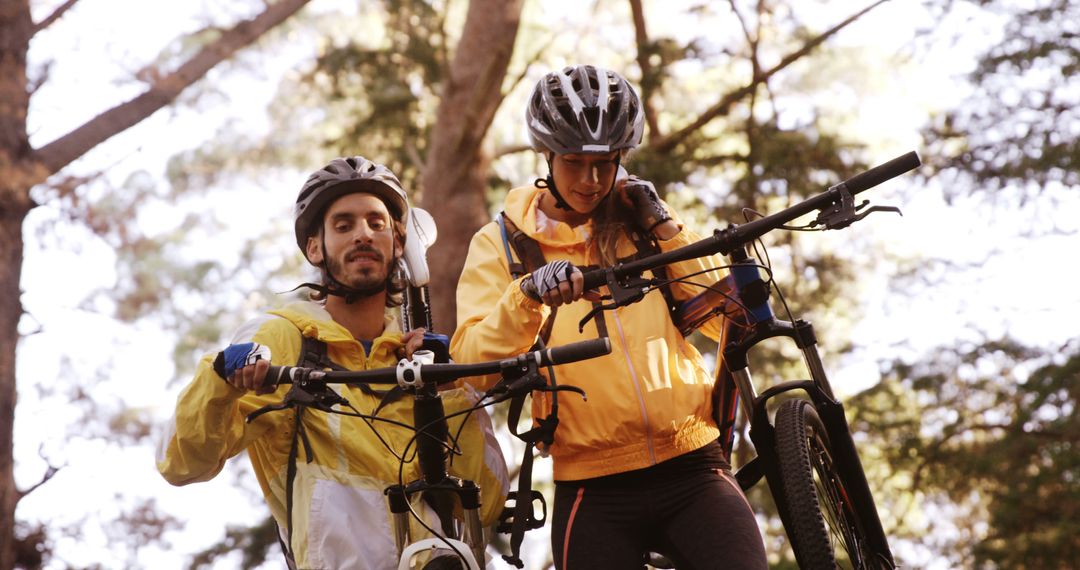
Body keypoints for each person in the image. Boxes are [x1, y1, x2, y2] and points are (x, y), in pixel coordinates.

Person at [451, 65, 768, 569]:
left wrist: (664, 227)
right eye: (575, 162)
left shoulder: (640, 226)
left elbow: (726, 316)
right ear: (547, 156)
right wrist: (526, 295)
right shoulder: (503, 244)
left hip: (692, 464)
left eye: (606, 162)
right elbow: (471, 365)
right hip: (591, 487)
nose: (591, 179)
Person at [157, 156, 509, 570]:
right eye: (344, 225)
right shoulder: (283, 338)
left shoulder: (415, 354)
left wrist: (447, 391)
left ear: (399, 244)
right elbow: (181, 463)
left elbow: (488, 502)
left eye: (377, 224)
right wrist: (220, 378)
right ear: (314, 247)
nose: (363, 234)